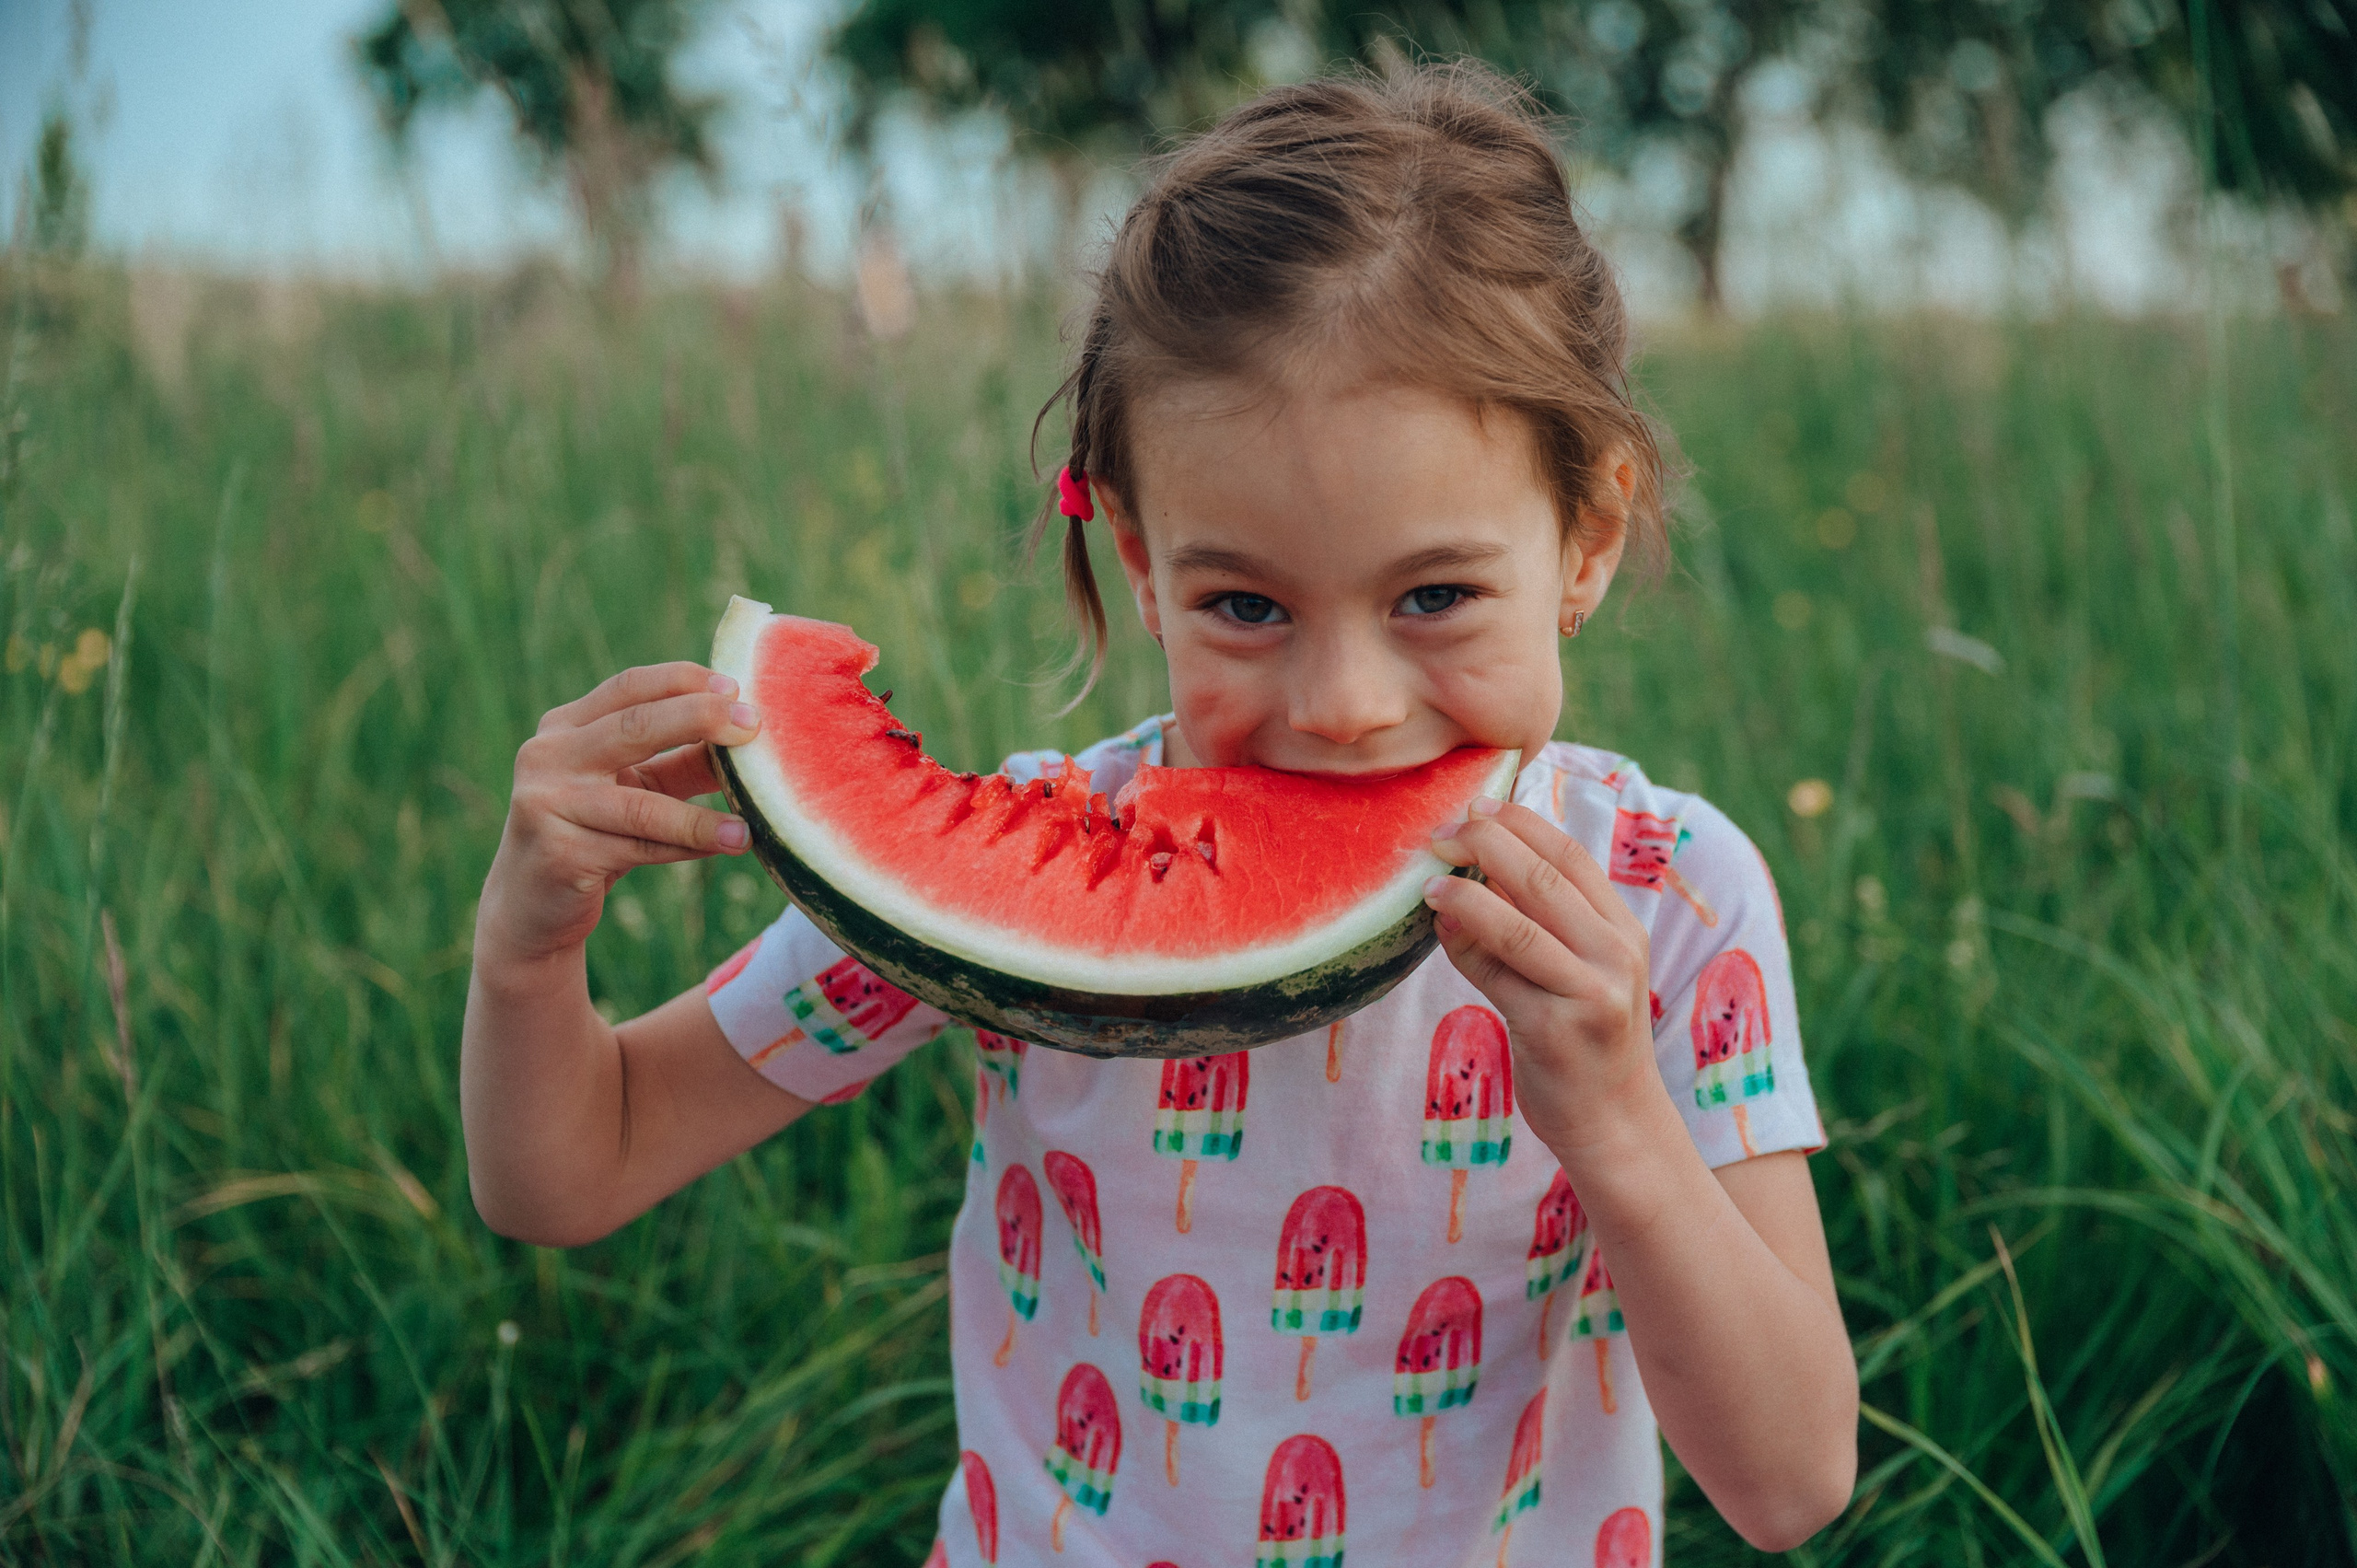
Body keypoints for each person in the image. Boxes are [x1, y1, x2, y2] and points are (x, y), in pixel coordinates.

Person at [462, 63, 1858, 1564]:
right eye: (1246, 603)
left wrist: (1622, 1128)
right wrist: (529, 956)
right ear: (1138, 559)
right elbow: (574, 1170)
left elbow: (1788, 1486)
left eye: (1436, 596)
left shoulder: (1674, 896)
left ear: (1585, 540)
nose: (1344, 701)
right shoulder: (1027, 878)